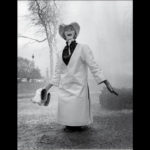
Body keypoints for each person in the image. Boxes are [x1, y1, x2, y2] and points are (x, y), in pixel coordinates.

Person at [42, 22, 118, 131]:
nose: (68, 31)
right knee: (68, 126)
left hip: (79, 90)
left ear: (75, 33)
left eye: (71, 29)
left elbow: (94, 66)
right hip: (65, 90)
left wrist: (106, 82)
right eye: (66, 30)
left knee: (78, 125)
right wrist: (45, 89)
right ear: (63, 34)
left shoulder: (83, 48)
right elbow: (56, 75)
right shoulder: (59, 53)